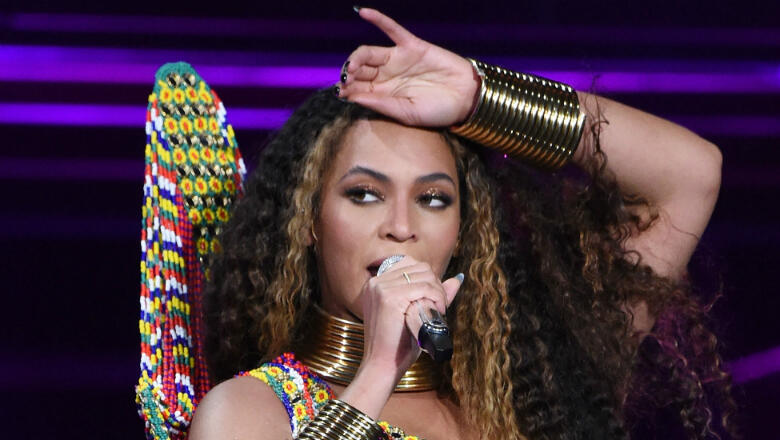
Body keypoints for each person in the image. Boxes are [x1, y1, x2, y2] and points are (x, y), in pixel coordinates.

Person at [189, 8, 736, 440]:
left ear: (462, 230)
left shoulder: (537, 393)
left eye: (433, 199)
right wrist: (378, 371)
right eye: (364, 194)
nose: (401, 226)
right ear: (309, 220)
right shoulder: (248, 410)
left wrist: (479, 97)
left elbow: (689, 177)